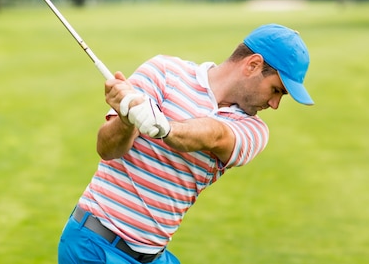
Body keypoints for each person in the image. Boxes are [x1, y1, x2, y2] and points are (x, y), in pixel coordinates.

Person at [57, 24, 314, 264]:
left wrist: (163, 126)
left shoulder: (254, 130)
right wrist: (126, 119)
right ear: (253, 64)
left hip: (152, 255)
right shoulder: (164, 72)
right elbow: (107, 149)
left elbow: (214, 135)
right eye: (276, 90)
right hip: (94, 246)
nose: (275, 104)